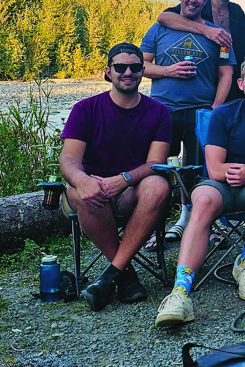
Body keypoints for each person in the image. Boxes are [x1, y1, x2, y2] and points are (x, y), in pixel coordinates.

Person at [155, 55, 245, 327]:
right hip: (220, 188)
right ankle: (180, 290)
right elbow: (215, 169)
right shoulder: (223, 114)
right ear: (240, 83)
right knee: (201, 199)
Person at [58, 43, 171, 311]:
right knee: (80, 191)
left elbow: (156, 163)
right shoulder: (85, 109)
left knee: (158, 185)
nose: (128, 72)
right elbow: (69, 159)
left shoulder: (159, 112)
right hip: (93, 188)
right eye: (121, 67)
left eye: (134, 67)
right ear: (109, 72)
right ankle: (125, 276)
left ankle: (110, 275)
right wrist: (84, 180)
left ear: (143, 71)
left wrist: (124, 178)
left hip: (130, 190)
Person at [141, 0, 235, 242]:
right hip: (162, 110)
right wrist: (169, 70)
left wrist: (215, 108)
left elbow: (226, 74)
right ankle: (154, 225)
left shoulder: (220, 36)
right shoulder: (159, 29)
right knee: (157, 168)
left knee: (195, 169)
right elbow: (142, 65)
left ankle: (189, 217)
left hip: (200, 111)